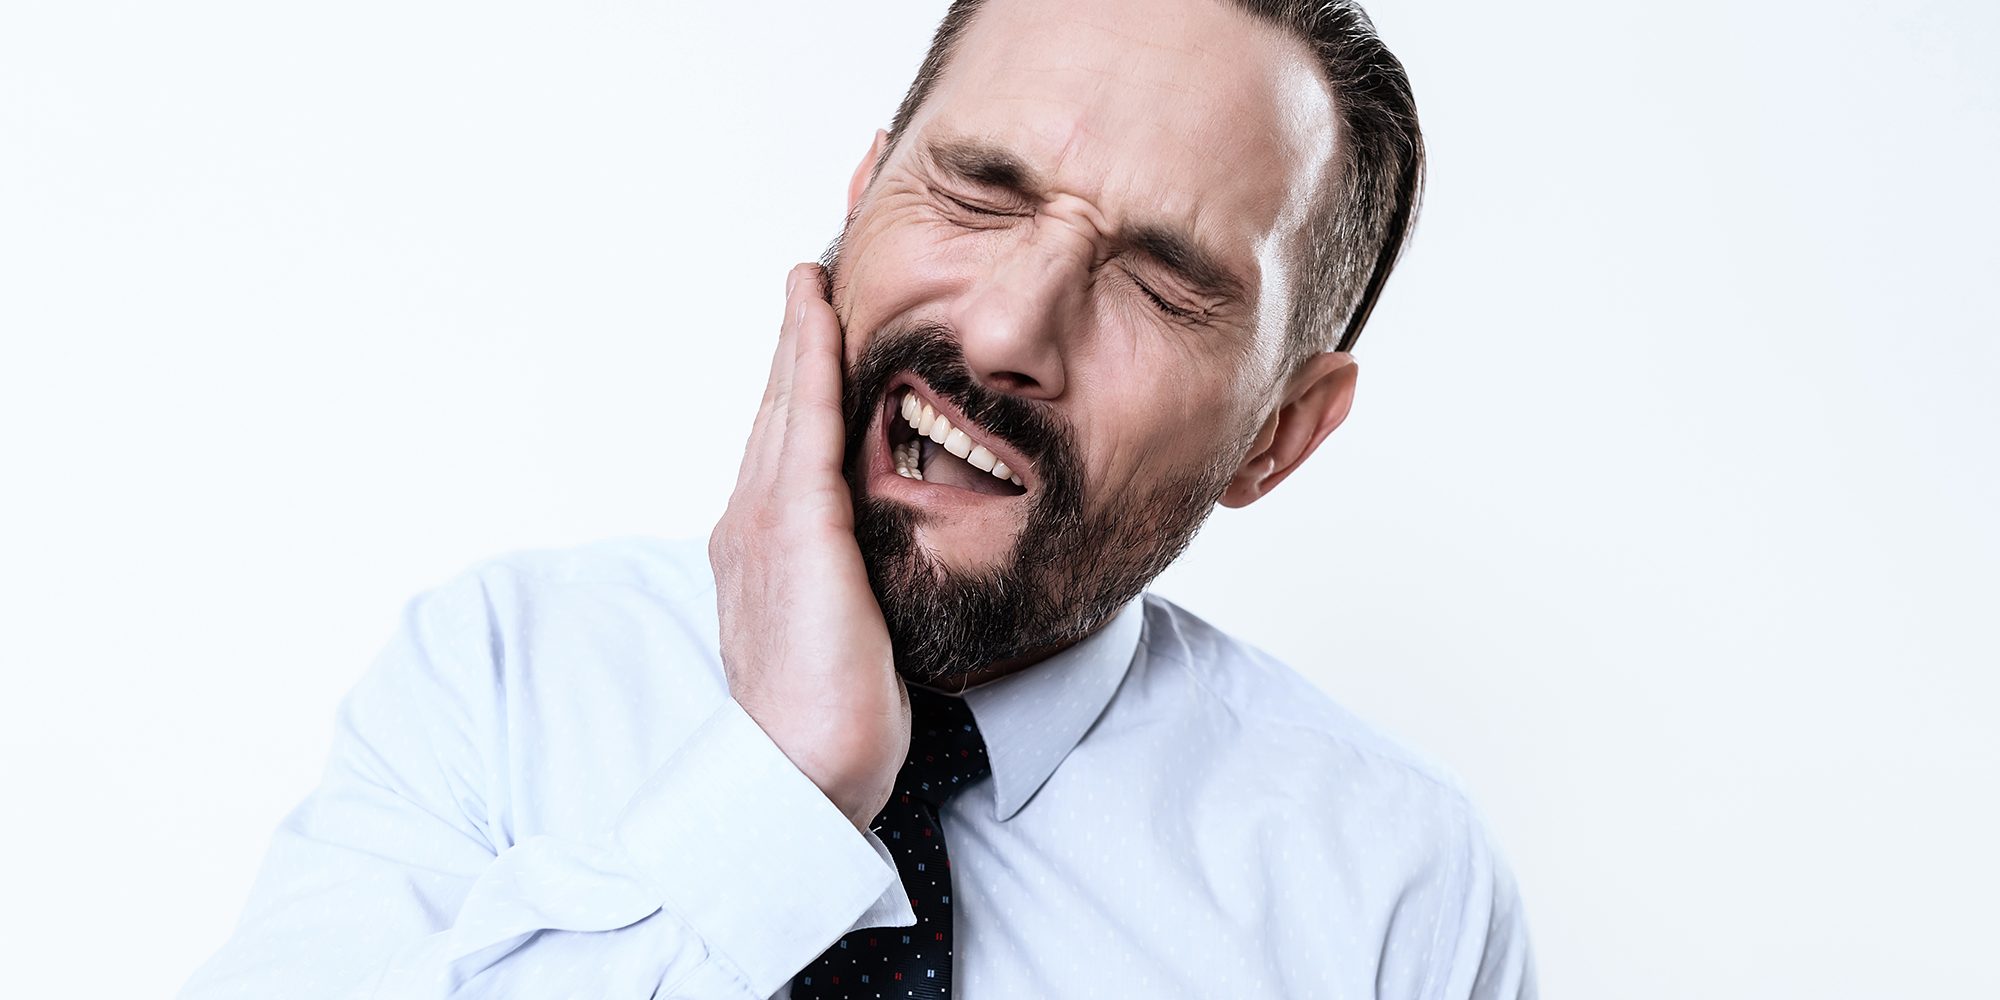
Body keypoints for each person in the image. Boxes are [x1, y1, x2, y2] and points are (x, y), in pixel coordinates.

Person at [180, 0, 1535, 996]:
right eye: (975, 192)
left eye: (1161, 284)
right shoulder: (502, 676)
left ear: (1279, 436)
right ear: (861, 195)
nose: (1011, 326)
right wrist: (776, 794)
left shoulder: (1393, 889)